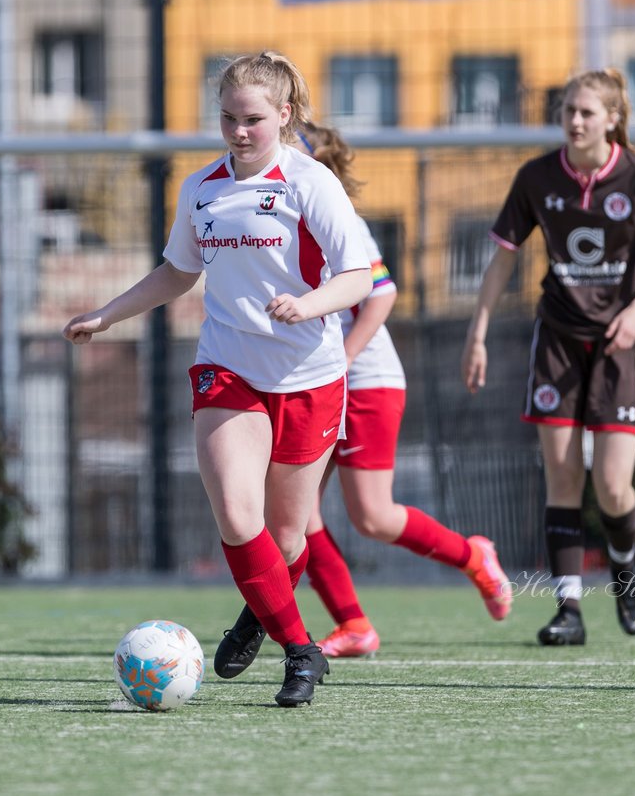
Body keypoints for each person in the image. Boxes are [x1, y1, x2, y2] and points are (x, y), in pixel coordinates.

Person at [63, 51, 371, 706]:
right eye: (228, 117)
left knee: (288, 537)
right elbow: (178, 271)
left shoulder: (310, 183)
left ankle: (258, 614)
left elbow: (359, 277)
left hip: (309, 375)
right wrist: (107, 314)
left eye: (253, 119)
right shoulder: (201, 187)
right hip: (227, 367)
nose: (238, 131)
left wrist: (308, 304)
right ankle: (301, 651)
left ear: (284, 116)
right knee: (236, 513)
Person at [461, 68, 635, 646]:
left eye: (586, 111)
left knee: (613, 486)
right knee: (562, 475)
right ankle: (568, 610)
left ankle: (624, 570)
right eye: (567, 111)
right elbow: (504, 259)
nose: (575, 120)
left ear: (612, 118)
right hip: (557, 341)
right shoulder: (537, 177)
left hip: (617, 345)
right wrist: (478, 331)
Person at [297, 121, 513, 658]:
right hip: (314, 380)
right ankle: (353, 625)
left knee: (372, 516)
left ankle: (473, 556)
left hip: (365, 379)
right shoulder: (269, 220)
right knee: (296, 514)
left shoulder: (336, 216)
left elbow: (382, 293)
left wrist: (343, 363)